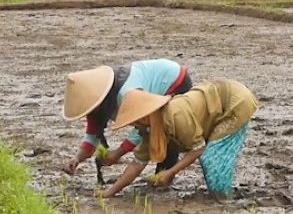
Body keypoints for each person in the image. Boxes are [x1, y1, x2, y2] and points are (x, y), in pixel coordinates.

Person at [102, 79, 259, 198]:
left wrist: (170, 172)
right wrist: (110, 192)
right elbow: (138, 163)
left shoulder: (176, 115)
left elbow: (198, 148)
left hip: (234, 103)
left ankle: (224, 199)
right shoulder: (150, 128)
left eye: (134, 121)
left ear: (144, 117)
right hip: (215, 107)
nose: (134, 126)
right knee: (211, 157)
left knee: (213, 158)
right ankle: (219, 194)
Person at [62, 59, 193, 178]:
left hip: (174, 81)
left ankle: (164, 176)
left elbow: (145, 122)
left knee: (164, 129)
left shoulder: (127, 93)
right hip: (158, 81)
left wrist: (118, 153)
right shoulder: (96, 105)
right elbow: (92, 136)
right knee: (152, 132)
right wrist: (76, 159)